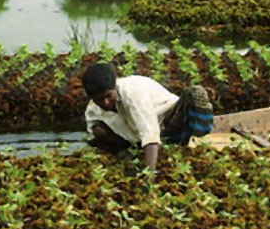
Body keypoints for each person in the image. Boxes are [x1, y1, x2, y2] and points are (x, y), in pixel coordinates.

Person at [82, 63, 214, 174]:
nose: (105, 102)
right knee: (98, 129)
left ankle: (189, 140)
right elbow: (95, 132)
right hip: (135, 136)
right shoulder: (93, 111)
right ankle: (129, 153)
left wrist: (149, 175)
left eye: (108, 96)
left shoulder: (132, 93)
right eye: (99, 99)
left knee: (196, 94)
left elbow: (149, 133)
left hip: (169, 121)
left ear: (114, 87)